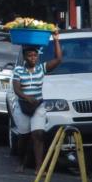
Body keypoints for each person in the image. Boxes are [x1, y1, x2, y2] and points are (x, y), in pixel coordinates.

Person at [12, 31, 63, 173]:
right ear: (25, 57)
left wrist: (56, 39)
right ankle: (21, 162)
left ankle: (39, 167)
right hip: (23, 107)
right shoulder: (18, 70)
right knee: (24, 136)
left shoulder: (41, 69)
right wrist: (26, 97)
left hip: (38, 106)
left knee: (38, 134)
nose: (33, 58)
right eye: (30, 56)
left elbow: (58, 59)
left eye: (35, 55)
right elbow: (16, 89)